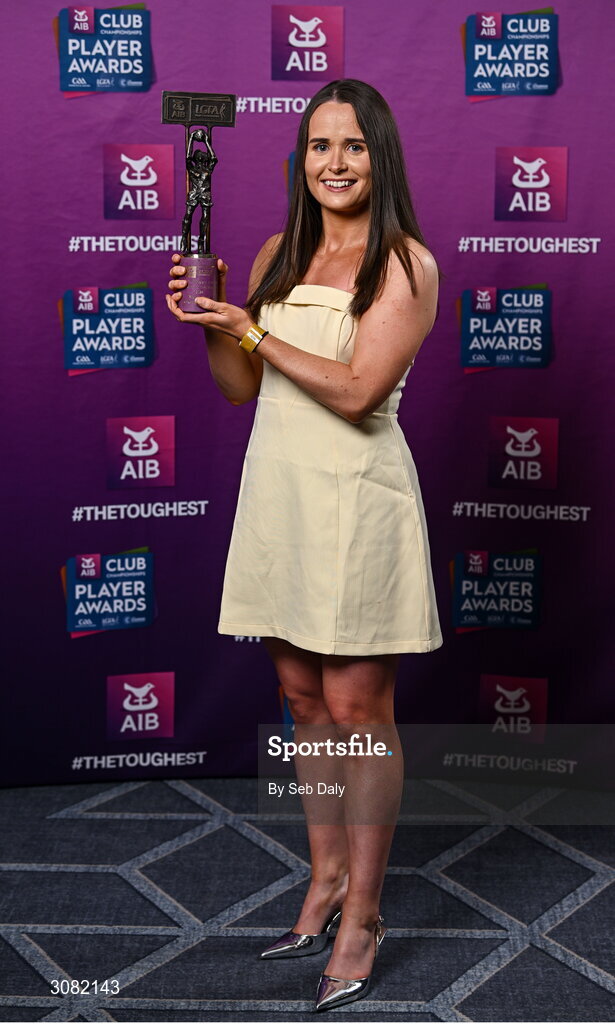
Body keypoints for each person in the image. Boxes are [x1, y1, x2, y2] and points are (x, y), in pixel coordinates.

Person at [166, 78, 443, 1012]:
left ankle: (364, 913)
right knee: (301, 700)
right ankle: (323, 881)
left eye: (353, 145)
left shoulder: (404, 263)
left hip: (357, 498)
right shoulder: (275, 253)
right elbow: (238, 386)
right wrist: (212, 319)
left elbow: (358, 391)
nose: (335, 162)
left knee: (358, 708)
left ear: (379, 156)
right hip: (280, 490)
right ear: (302, 157)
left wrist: (250, 327)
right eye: (320, 145)